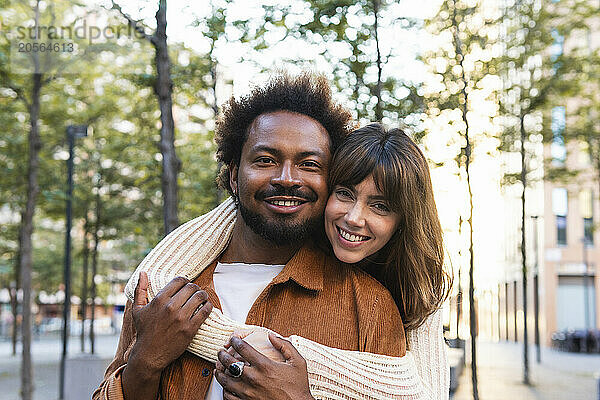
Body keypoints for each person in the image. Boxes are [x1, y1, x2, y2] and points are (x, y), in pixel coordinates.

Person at [93, 72, 409, 400]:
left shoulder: (370, 306)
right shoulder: (161, 290)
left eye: (310, 165)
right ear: (233, 176)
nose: (287, 179)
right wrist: (146, 360)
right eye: (265, 160)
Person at [214, 123, 451, 399]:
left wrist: (300, 363)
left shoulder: (416, 284)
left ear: (404, 219)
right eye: (344, 194)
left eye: (380, 206)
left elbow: (423, 394)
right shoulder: (299, 232)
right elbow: (237, 207)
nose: (353, 218)